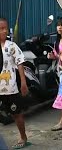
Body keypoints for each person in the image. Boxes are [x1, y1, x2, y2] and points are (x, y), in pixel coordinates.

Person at [0, 17, 31, 149]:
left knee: (16, 113)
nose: (3, 31)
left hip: (10, 88)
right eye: (1, 28)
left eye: (5, 28)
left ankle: (23, 136)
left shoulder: (11, 46)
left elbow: (20, 64)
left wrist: (23, 83)